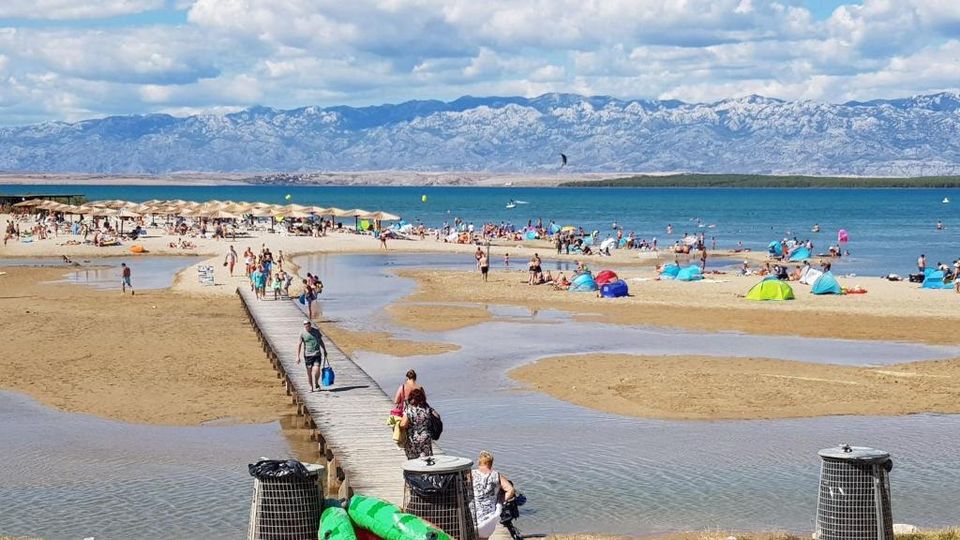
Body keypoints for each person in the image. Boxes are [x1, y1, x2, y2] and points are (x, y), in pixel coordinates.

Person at [472, 450, 516, 540]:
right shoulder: (497, 475)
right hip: (488, 515)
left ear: (479, 462)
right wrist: (501, 500)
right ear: (491, 463)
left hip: (473, 513)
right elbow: (510, 490)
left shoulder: (471, 474)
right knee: (484, 537)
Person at [399, 388, 433, 459]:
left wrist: (398, 424)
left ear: (412, 398)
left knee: (413, 461)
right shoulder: (427, 409)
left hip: (413, 438)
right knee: (426, 459)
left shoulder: (410, 410)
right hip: (425, 437)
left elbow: (403, 424)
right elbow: (436, 416)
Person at [296, 320, 328, 392]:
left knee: (317, 369)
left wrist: (324, 350)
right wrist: (297, 356)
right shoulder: (302, 333)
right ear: (304, 326)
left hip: (317, 353)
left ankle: (316, 382)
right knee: (309, 372)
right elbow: (299, 344)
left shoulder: (316, 331)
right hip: (308, 355)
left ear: (310, 325)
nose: (307, 327)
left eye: (308, 325)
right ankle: (311, 387)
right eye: (305, 326)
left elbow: (320, 341)